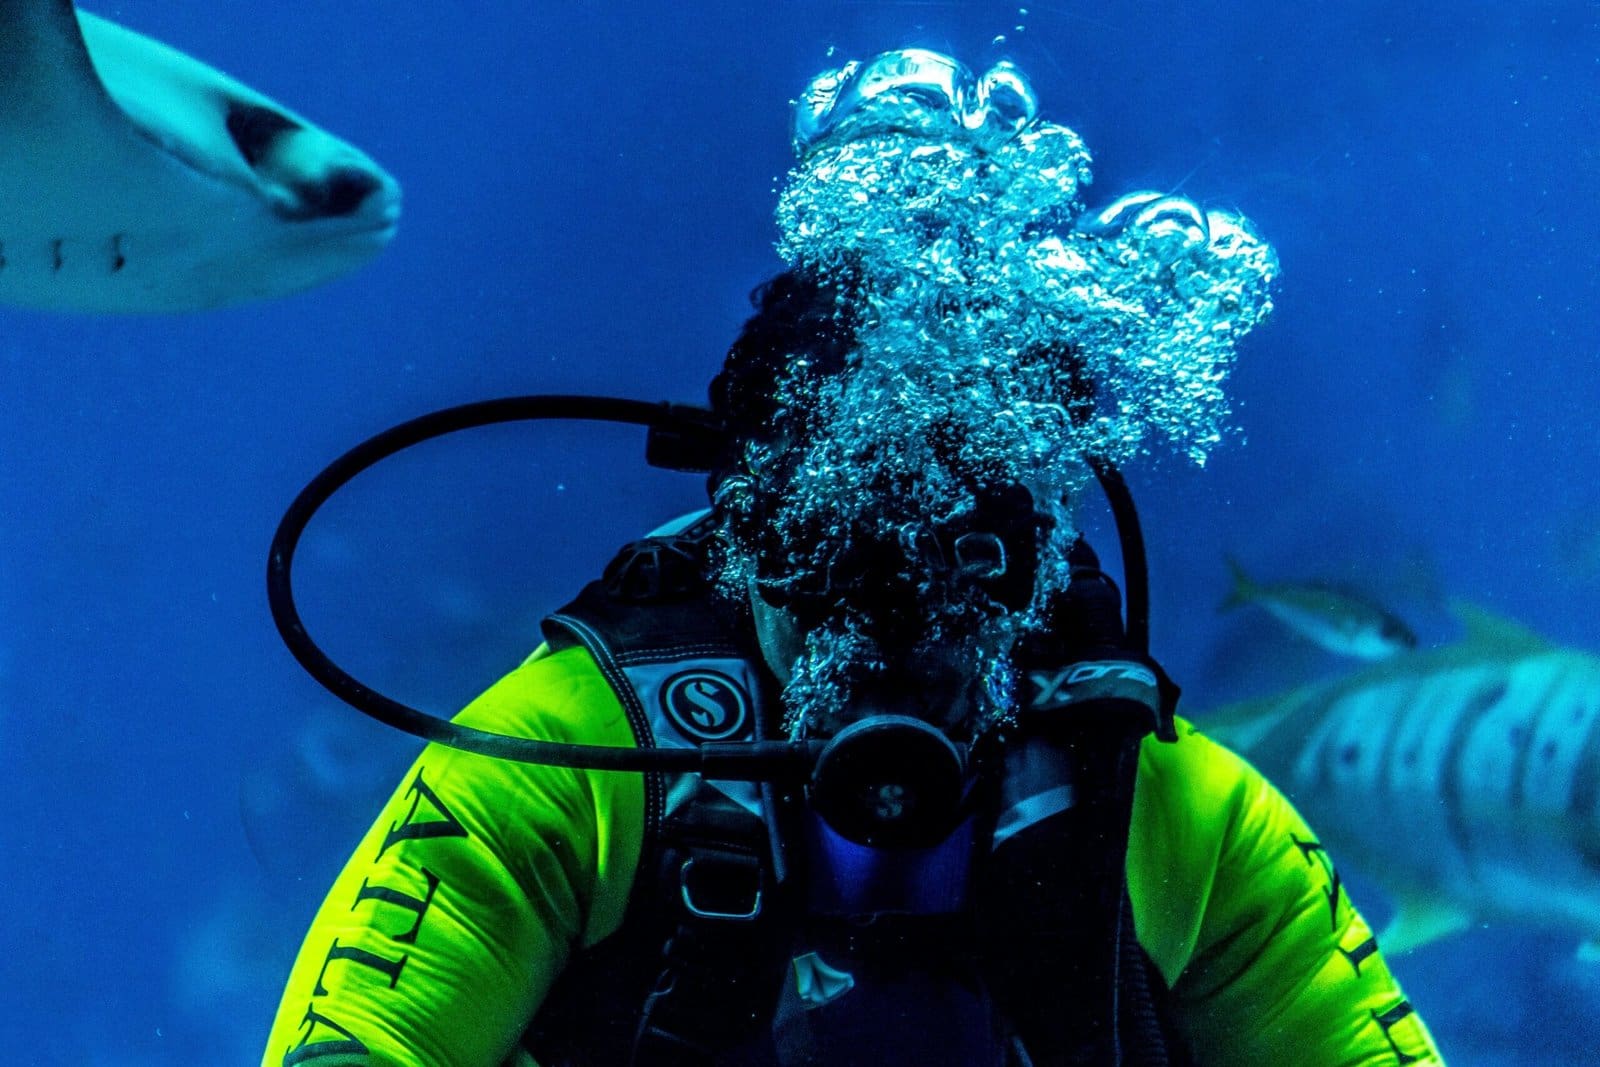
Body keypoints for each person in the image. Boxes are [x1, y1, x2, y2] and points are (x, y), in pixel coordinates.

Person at [260, 50, 1445, 1067]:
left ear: (1036, 569)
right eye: (832, 549)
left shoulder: (1167, 813)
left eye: (963, 561)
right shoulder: (582, 763)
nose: (894, 623)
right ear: (745, 538)